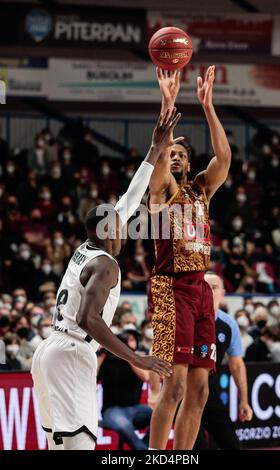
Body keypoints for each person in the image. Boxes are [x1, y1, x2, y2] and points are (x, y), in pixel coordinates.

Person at [31, 109, 180, 451]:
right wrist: (136, 358)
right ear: (108, 229)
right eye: (118, 221)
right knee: (82, 445)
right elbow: (89, 318)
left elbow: (129, 199)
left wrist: (154, 150)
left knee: (59, 447)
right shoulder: (107, 265)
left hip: (51, 349)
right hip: (72, 351)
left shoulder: (87, 246)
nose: (124, 222)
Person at [148, 67, 231, 450]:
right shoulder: (161, 192)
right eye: (172, 154)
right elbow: (159, 160)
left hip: (200, 291)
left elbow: (224, 157)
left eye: (182, 154)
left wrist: (208, 106)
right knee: (175, 383)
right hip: (170, 288)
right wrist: (168, 103)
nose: (176, 158)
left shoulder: (201, 191)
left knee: (199, 391)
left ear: (190, 161)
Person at [193, 272, 253, 450]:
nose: (209, 291)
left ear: (223, 293)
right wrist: (157, 390)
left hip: (209, 392)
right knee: (196, 447)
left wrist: (244, 400)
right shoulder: (186, 318)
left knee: (232, 445)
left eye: (214, 287)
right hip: (183, 394)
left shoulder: (229, 325)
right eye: (204, 286)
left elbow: (237, 365)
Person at [98, 330, 152, 450]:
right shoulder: (107, 359)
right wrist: (103, 353)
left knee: (162, 416)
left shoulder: (138, 359)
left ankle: (144, 446)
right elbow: (92, 377)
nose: (127, 343)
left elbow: (145, 376)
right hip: (112, 410)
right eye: (123, 341)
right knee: (123, 424)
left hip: (136, 408)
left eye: (131, 340)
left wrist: (127, 354)